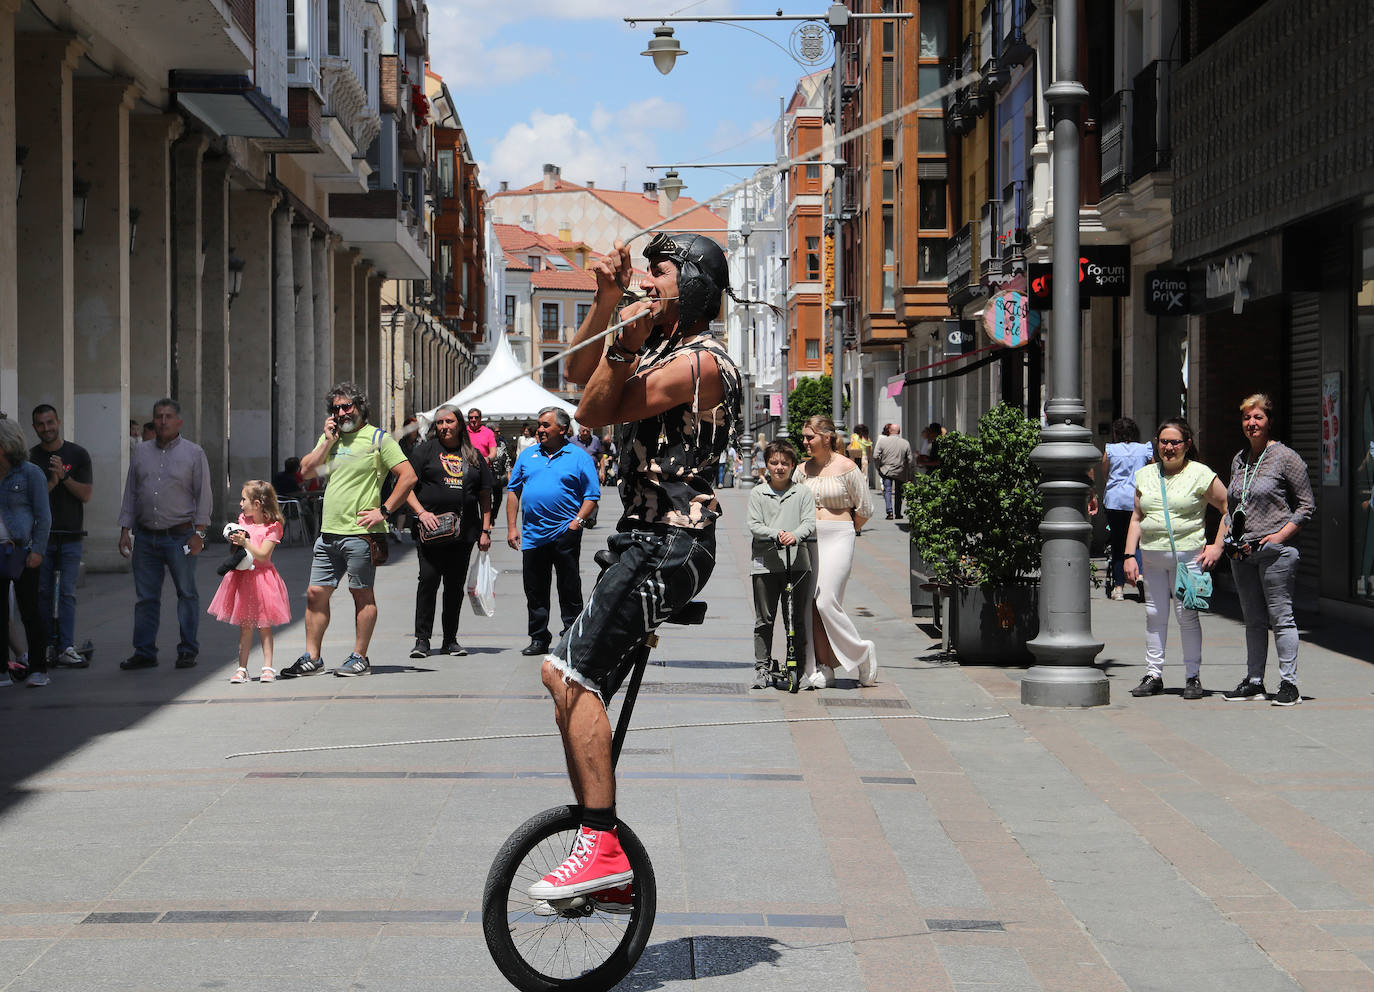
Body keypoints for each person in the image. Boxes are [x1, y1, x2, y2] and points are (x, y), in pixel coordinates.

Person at [529, 231, 746, 906]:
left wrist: (624, 338)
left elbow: (593, 410)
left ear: (695, 285)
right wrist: (604, 298)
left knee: (571, 673)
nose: (647, 283)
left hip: (672, 541)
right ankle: (609, 852)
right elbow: (575, 375)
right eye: (645, 274)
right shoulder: (658, 347)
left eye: (659, 273)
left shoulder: (703, 363)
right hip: (640, 538)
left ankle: (599, 842)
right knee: (568, 680)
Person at [281, 382, 417, 679]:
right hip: (328, 532)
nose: (341, 412)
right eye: (336, 408)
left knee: (361, 594)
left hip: (361, 534)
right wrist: (327, 442)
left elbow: (408, 476)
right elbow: (304, 473)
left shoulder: (379, 439)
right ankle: (312, 658)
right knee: (316, 593)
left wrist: (384, 511)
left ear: (360, 407)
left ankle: (359, 657)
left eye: (347, 406)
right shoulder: (331, 439)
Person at [1219, 393, 1315, 706]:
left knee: (1281, 617)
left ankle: (1289, 685)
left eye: (1257, 417)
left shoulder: (1286, 457)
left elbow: (1306, 505)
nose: (1251, 423)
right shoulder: (1239, 459)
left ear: (1269, 421)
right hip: (1243, 553)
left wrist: (1279, 536)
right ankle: (1254, 681)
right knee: (1253, 620)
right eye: (1247, 418)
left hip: (1275, 553)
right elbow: (1233, 505)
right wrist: (1225, 541)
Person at [1122, 418, 1228, 700]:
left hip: (1189, 558)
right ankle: (1153, 674)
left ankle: (1192, 677)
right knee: (1154, 615)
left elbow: (1228, 506)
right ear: (1156, 444)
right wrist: (1130, 555)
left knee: (1187, 616)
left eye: (1175, 442)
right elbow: (1137, 517)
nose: (1168, 448)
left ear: (1187, 444)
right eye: (1163, 442)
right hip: (1152, 557)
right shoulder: (1145, 475)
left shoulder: (1200, 474)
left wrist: (1217, 545)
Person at [117, 399, 213, 671]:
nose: (163, 421)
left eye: (169, 416)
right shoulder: (141, 453)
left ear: (179, 421)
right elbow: (131, 494)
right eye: (158, 416)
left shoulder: (194, 454)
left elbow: (204, 496)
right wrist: (125, 530)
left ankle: (187, 650)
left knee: (186, 593)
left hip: (180, 537)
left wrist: (200, 534)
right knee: (146, 597)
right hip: (146, 537)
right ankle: (144, 651)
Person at [505, 407, 600, 657]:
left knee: (569, 586)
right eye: (540, 425)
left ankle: (571, 633)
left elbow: (592, 495)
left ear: (563, 429)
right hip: (533, 534)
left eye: (546, 425)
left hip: (565, 532)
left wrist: (576, 522)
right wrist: (512, 526)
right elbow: (513, 491)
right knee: (535, 588)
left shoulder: (578, 457)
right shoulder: (527, 455)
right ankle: (538, 637)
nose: (541, 430)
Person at [404, 405, 494, 659]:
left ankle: (450, 640)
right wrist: (421, 513)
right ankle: (422, 640)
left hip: (463, 534)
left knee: (454, 586)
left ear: (460, 424)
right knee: (428, 581)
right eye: (440, 422)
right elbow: (406, 486)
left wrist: (485, 530)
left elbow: (485, 495)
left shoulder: (473, 456)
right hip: (430, 532)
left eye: (449, 421)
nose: (444, 426)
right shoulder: (424, 452)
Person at [795, 415, 878, 689]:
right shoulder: (801, 470)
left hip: (838, 536)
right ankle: (824, 666)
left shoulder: (847, 467)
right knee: (812, 605)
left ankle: (862, 652)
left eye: (810, 437)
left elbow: (865, 508)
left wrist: (846, 530)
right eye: (804, 437)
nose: (805, 442)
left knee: (826, 601)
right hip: (808, 539)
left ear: (827, 437)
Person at [208, 480, 291, 684]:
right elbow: (238, 552)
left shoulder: (272, 527)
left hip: (263, 579)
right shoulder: (242, 521)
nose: (240, 503)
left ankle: (268, 667)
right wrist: (235, 542)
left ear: (257, 503)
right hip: (243, 579)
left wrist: (245, 542)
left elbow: (263, 556)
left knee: (264, 625)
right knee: (245, 626)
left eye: (243, 499)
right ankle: (242, 668)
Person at [747, 439, 815, 689]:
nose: (779, 467)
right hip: (765, 564)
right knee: (764, 619)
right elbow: (754, 525)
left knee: (795, 618)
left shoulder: (802, 492)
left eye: (784, 463)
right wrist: (777, 534)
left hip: (797, 563)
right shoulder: (758, 493)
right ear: (766, 465)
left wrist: (795, 535)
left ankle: (795, 664)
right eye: (774, 463)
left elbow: (809, 522)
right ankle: (762, 667)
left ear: (793, 466)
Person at [30, 404, 92, 668]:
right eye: (41, 424)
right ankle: (44, 647)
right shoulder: (30, 458)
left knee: (66, 593)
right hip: (40, 538)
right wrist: (51, 483)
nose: (46, 428)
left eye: (50, 422)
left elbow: (86, 495)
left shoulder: (77, 454)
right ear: (35, 428)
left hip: (71, 535)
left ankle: (66, 646)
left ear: (58, 422)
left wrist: (64, 478)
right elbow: (28, 501)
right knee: (42, 593)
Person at [0, 419, 51, 687]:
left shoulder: (30, 474)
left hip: (22, 551)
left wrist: (38, 550)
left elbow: (43, 516)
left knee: (30, 610)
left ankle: (39, 669)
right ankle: (2, 671)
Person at [1096, 418, 1153, 601]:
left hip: (1115, 501)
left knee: (1119, 543)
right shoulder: (1145, 449)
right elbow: (1152, 471)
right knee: (1138, 541)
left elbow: (1105, 474)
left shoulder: (1111, 450)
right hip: (1138, 500)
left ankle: (1119, 587)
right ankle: (1141, 575)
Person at [872, 423, 912, 520]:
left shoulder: (882, 442)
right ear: (899, 431)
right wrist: (910, 474)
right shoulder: (905, 443)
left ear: (889, 431)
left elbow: (875, 456)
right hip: (900, 471)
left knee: (887, 491)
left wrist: (879, 467)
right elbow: (910, 460)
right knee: (899, 493)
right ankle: (898, 513)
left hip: (886, 470)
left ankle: (889, 512)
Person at [571, 425, 604, 526]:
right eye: (583, 431)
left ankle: (591, 518)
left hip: (592, 472)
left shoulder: (595, 440)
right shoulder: (572, 440)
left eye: (587, 431)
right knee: (578, 495)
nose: (585, 433)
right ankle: (581, 517)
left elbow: (601, 457)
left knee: (592, 494)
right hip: (576, 472)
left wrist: (602, 471)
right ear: (579, 431)